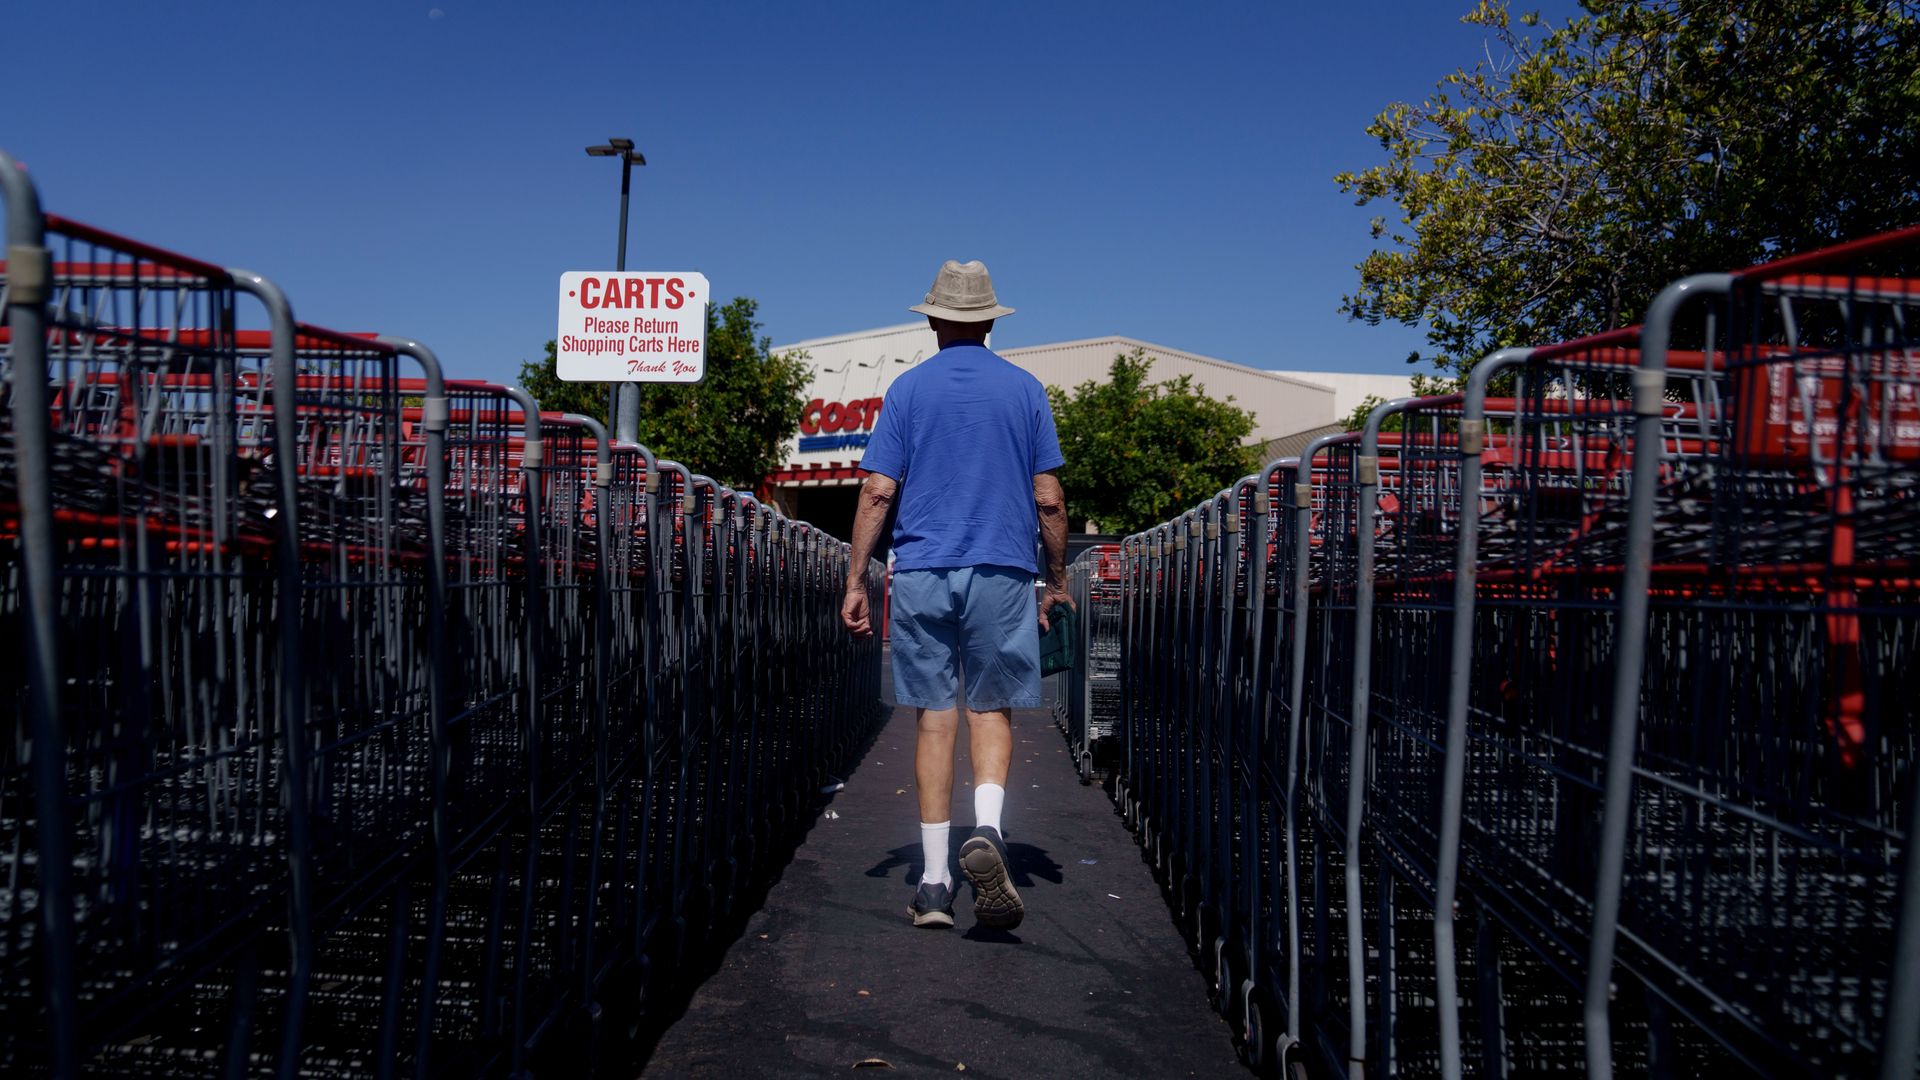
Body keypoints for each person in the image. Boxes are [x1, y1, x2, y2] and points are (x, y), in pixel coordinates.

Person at [841, 259, 1072, 931]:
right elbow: (1049, 499)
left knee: (934, 719)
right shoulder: (1025, 390)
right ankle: (990, 830)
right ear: (990, 322)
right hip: (1001, 567)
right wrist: (1057, 581)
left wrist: (857, 579)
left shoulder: (907, 390)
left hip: (921, 569)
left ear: (935, 320)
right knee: (990, 708)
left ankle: (935, 884)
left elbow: (877, 490)